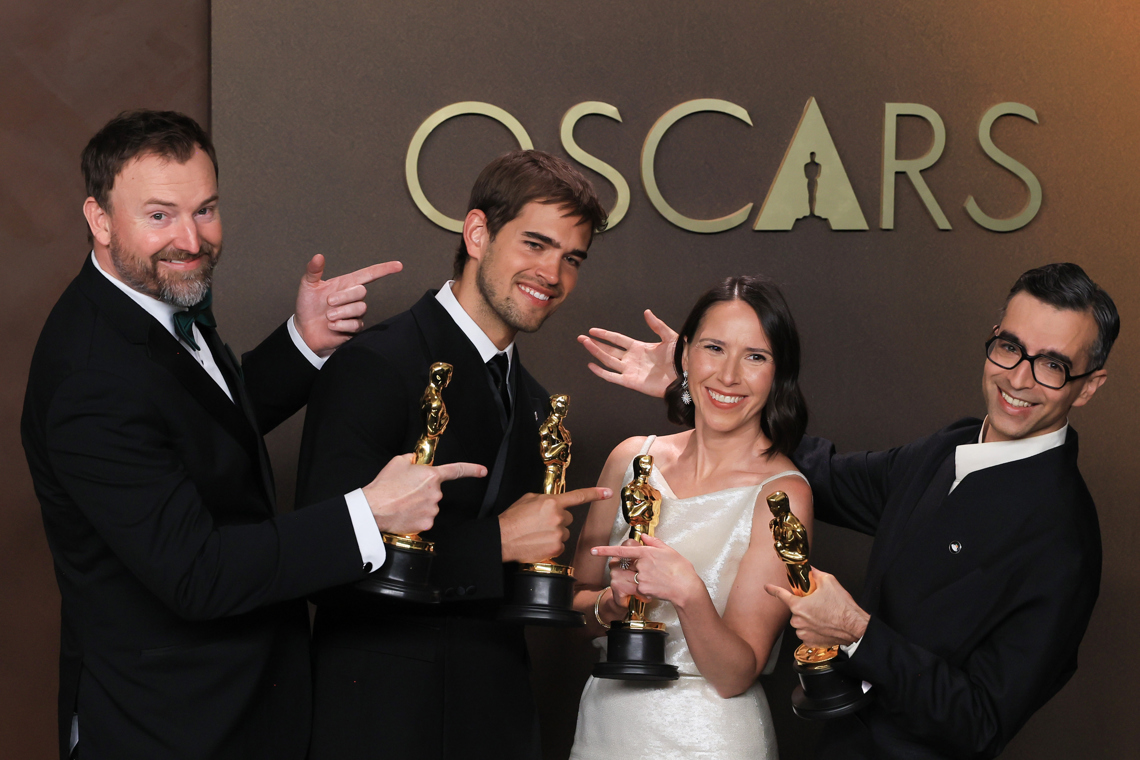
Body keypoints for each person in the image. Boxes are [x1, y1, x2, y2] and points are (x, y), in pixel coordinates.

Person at [21, 110, 483, 760]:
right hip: (166, 727)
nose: (190, 239)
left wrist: (302, 344)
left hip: (230, 708)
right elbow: (198, 573)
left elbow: (193, 430)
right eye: (159, 215)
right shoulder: (90, 375)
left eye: (205, 210)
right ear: (99, 219)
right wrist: (369, 513)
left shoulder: (151, 297)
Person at [578, 262, 1117, 759]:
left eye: (1052, 365)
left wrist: (856, 631)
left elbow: (982, 721)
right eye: (1010, 348)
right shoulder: (950, 448)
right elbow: (827, 473)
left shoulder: (1064, 538)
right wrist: (707, 393)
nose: (1018, 378)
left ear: (1089, 386)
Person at [294, 149, 612, 760]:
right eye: (536, 244)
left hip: (496, 722)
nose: (552, 273)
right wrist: (498, 541)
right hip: (380, 726)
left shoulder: (538, 404)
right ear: (477, 234)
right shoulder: (376, 364)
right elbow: (318, 561)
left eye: (572, 258)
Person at [569, 275, 813, 760]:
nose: (729, 375)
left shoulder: (782, 494)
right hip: (606, 732)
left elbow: (735, 674)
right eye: (714, 348)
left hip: (713, 739)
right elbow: (576, 607)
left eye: (755, 357)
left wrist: (688, 592)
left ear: (778, 373)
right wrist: (611, 606)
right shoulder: (629, 459)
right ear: (684, 356)